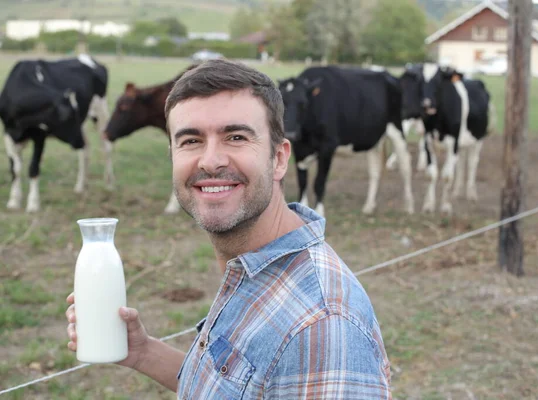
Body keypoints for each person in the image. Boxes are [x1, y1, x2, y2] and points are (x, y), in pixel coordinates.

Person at [66, 59, 392, 399]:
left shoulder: (321, 328)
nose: (210, 160)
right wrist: (143, 351)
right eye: (190, 141)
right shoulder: (256, 266)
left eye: (235, 137)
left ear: (279, 159)